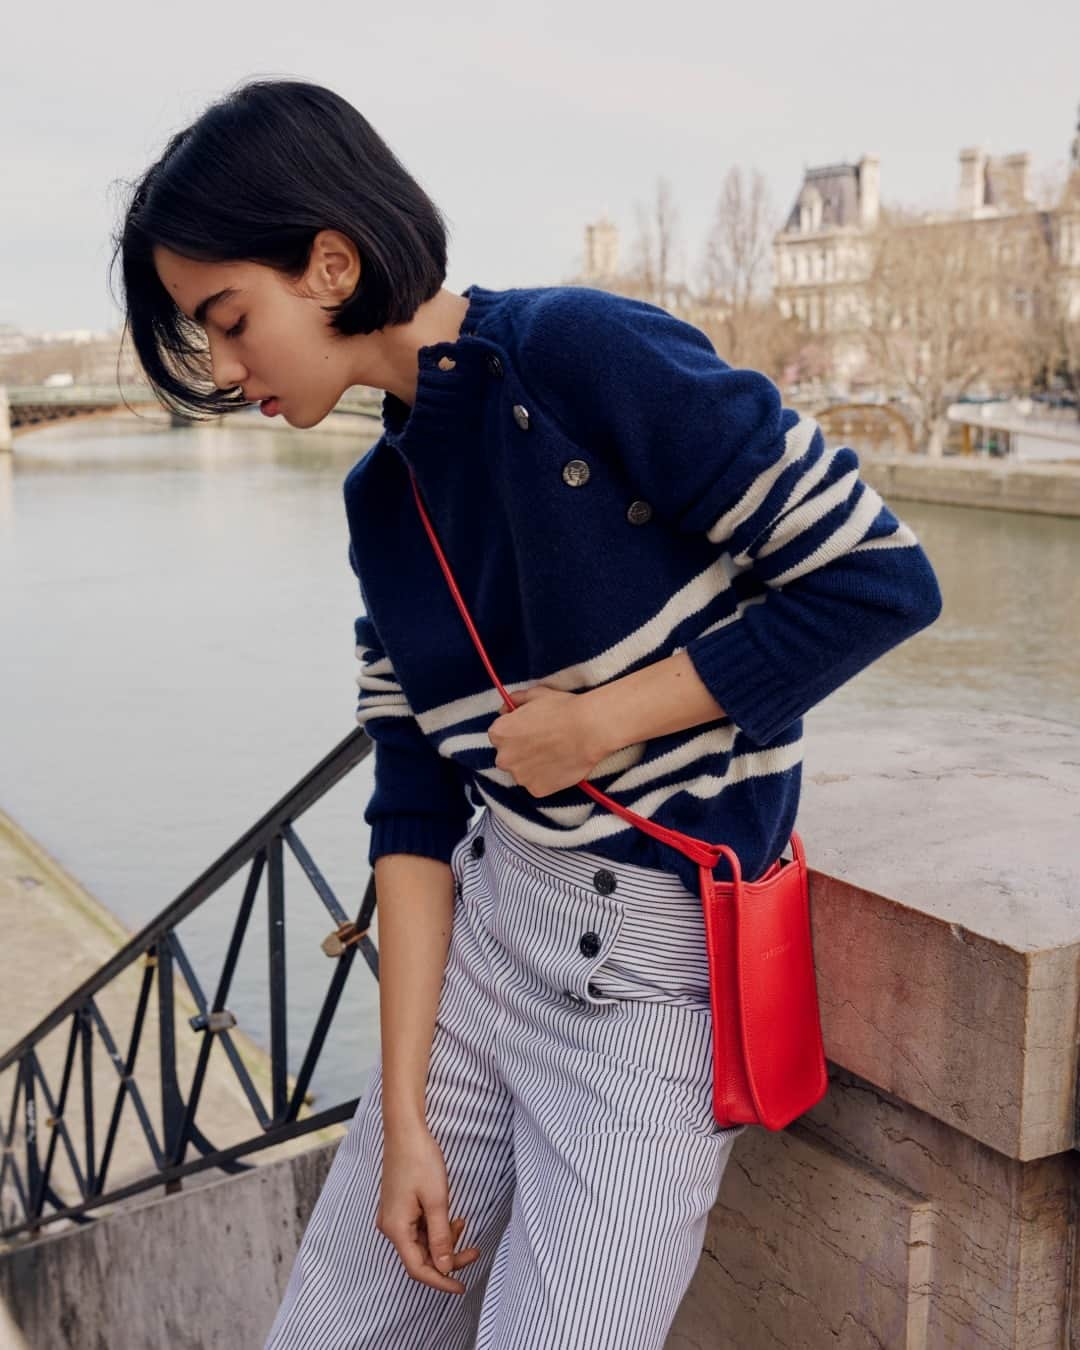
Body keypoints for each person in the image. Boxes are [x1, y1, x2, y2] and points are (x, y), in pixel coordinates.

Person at [113, 78, 943, 1350]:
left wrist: (604, 722)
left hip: (646, 1003)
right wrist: (400, 1120)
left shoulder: (582, 353)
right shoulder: (379, 506)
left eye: (228, 320)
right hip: (485, 953)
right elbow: (414, 809)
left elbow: (878, 581)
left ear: (330, 263)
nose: (223, 370)